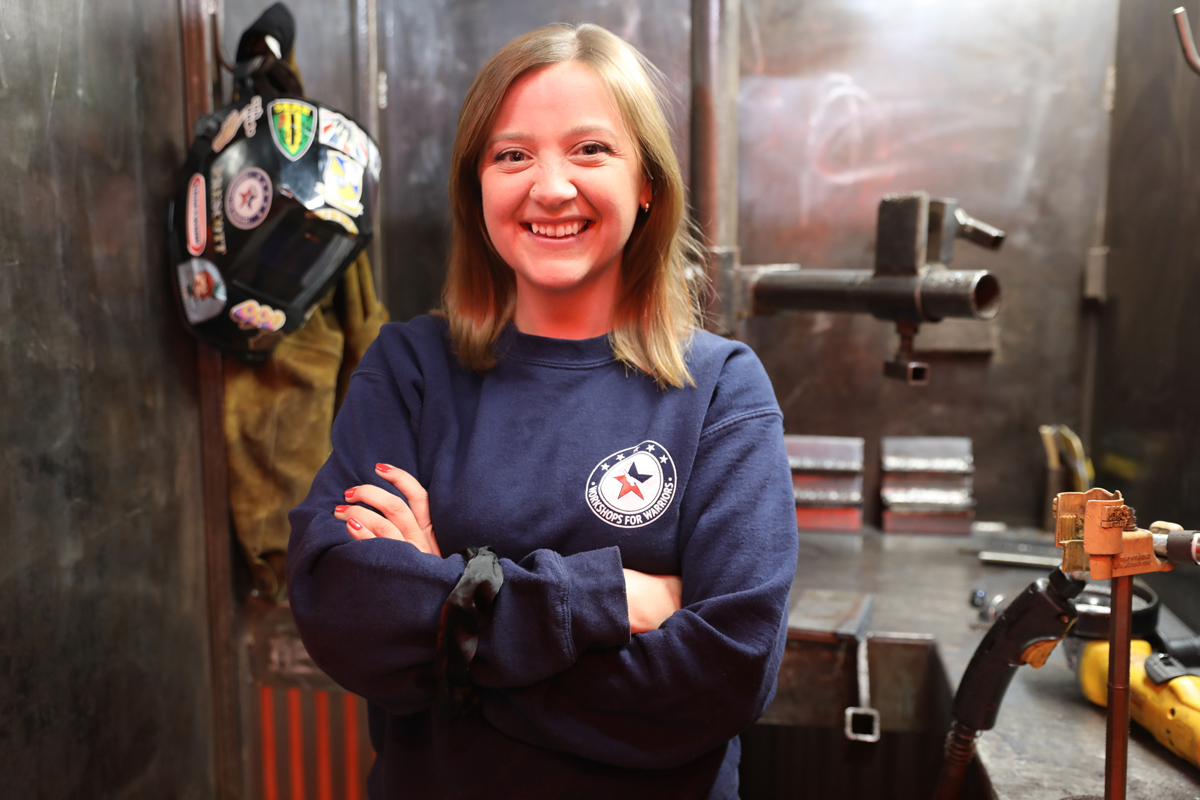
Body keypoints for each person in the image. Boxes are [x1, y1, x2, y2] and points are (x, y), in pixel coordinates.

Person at [287, 22, 798, 799]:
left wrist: (446, 631)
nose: (550, 186)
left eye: (590, 149)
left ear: (647, 183)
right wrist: (608, 599)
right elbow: (342, 608)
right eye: (512, 154)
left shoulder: (721, 388)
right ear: (478, 188)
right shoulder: (411, 370)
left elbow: (730, 669)